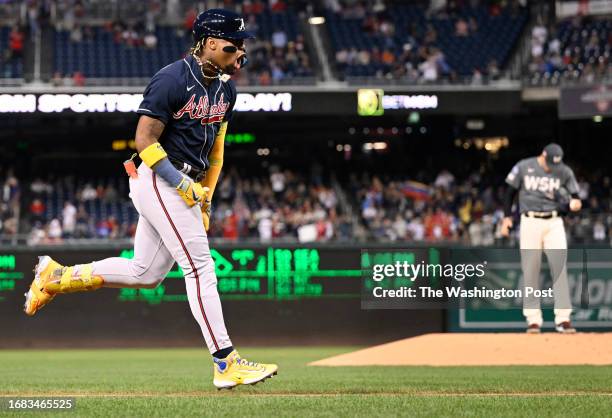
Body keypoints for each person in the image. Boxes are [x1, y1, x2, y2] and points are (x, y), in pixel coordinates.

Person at [24, 9, 277, 390]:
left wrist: (205, 194)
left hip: (185, 182)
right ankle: (226, 362)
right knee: (200, 267)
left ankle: (57, 277)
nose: (240, 52)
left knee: (146, 274)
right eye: (233, 45)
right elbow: (144, 141)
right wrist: (180, 184)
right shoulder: (172, 78)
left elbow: (218, 150)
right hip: (158, 177)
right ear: (209, 43)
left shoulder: (227, 89)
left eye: (243, 45)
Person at [501, 143, 581, 334]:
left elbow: (575, 196)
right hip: (530, 221)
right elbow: (509, 192)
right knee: (530, 270)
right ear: (543, 155)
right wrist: (506, 218)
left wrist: (575, 203)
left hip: (554, 222)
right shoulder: (524, 166)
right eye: (550, 163)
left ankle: (563, 319)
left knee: (559, 268)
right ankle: (533, 320)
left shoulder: (563, 171)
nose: (552, 168)